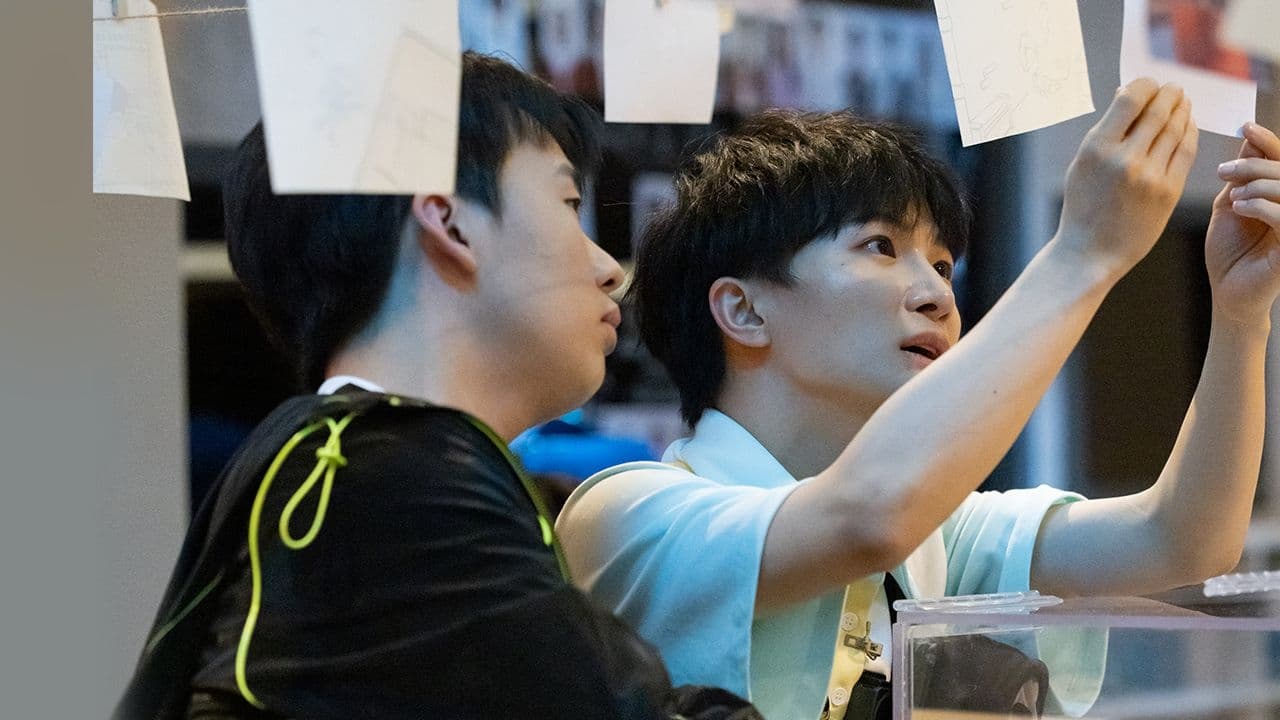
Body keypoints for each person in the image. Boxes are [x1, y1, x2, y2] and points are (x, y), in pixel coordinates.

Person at [558, 78, 1280, 720]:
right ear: (744, 310)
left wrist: (1242, 315)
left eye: (941, 263)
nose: (938, 294)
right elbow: (867, 517)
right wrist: (1083, 253)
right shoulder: (626, 515)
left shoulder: (933, 533)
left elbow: (1179, 541)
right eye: (879, 246)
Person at [114, 52, 761, 720]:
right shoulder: (390, 477)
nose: (609, 269)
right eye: (570, 204)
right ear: (450, 224)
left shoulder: (344, 460)